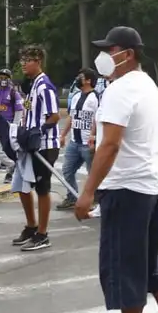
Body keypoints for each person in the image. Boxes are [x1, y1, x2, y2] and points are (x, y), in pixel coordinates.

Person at [74, 26, 158, 313]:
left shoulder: (120, 88)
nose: (103, 57)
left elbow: (109, 145)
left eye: (109, 50)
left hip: (125, 187)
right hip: (148, 185)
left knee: (124, 262)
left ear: (127, 54)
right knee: (143, 256)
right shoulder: (145, 83)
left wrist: (88, 191)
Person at [13, 45, 60, 251]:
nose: (23, 63)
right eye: (22, 59)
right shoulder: (32, 85)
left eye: (28, 60)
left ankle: (43, 234)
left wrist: (38, 132)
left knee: (42, 189)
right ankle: (31, 226)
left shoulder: (44, 86)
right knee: (22, 186)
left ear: (38, 60)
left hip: (44, 146)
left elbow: (54, 115)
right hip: (29, 146)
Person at [57, 68, 99, 210]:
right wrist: (63, 135)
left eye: (80, 77)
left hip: (88, 143)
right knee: (67, 170)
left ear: (88, 80)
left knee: (93, 174)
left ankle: (95, 200)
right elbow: (71, 117)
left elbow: (97, 119)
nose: (77, 79)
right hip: (75, 142)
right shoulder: (75, 96)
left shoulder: (96, 98)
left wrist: (93, 136)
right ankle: (72, 197)